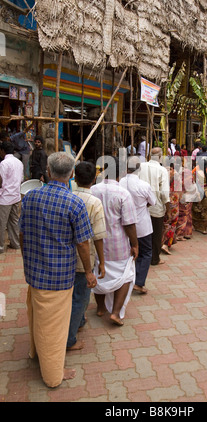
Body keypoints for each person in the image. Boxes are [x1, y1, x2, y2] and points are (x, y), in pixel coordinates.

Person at [19, 151, 96, 388]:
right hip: (59, 276)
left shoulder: (30, 197)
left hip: (34, 272)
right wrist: (90, 271)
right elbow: (83, 243)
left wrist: (27, 258)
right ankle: (53, 375)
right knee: (54, 327)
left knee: (38, 315)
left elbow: (22, 234)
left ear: (48, 173)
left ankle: (36, 354)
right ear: (71, 174)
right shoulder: (74, 202)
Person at [91, 157, 139, 326]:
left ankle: (100, 307)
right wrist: (135, 244)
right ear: (123, 173)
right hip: (118, 244)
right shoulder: (123, 193)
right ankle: (116, 313)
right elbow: (129, 223)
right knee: (126, 275)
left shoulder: (93, 189)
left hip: (97, 242)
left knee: (99, 273)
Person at [67, 162, 106, 351]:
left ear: (75, 176)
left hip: (66, 256)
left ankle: (79, 321)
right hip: (85, 257)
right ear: (94, 180)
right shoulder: (94, 202)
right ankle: (69, 338)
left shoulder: (67, 196)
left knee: (74, 294)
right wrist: (102, 263)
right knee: (80, 297)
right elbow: (98, 237)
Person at [119, 156, 156, 294]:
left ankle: (125, 281)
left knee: (128, 253)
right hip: (142, 225)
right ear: (139, 169)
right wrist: (141, 205)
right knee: (146, 253)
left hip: (124, 225)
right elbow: (153, 202)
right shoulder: (143, 185)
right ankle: (139, 283)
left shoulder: (120, 183)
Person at [138, 147, 170, 265]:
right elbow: (164, 193)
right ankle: (155, 258)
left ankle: (142, 256)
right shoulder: (162, 170)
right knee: (156, 234)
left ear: (149, 156)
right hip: (156, 208)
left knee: (143, 233)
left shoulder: (141, 166)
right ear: (160, 157)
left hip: (142, 207)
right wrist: (168, 209)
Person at [0, 141, 24, 254]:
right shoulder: (19, 162)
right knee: (14, 221)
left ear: (2, 151)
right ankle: (15, 243)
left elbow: (1, 181)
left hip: (5, 197)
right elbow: (21, 179)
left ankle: (0, 246)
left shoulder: (4, 163)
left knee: (2, 222)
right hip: (16, 195)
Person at [161, 163, 181, 255]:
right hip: (171, 205)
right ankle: (165, 244)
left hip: (167, 204)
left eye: (170, 170)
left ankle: (164, 243)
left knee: (166, 223)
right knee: (171, 224)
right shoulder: (176, 178)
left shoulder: (163, 178)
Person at [192, 158, 207, 234]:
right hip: (206, 193)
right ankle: (203, 228)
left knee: (196, 208)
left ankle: (196, 226)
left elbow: (193, 182)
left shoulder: (196, 173)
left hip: (198, 192)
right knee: (205, 210)